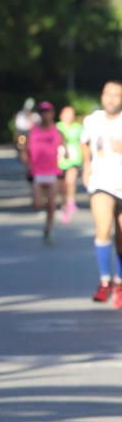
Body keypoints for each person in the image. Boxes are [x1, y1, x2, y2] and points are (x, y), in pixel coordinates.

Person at [81, 80, 122, 308]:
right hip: (101, 183)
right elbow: (84, 143)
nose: (111, 98)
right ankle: (105, 281)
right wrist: (87, 166)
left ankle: (120, 282)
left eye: (116, 95)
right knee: (103, 227)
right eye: (108, 94)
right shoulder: (92, 120)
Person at [22, 101, 63, 244]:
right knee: (38, 204)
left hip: (53, 171)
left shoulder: (57, 131)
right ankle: (39, 197)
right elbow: (25, 150)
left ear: (52, 113)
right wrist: (28, 165)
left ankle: (48, 229)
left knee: (51, 205)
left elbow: (64, 149)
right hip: (37, 172)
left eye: (48, 111)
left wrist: (64, 159)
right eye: (42, 111)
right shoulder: (32, 131)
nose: (45, 114)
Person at [57, 106, 82, 222]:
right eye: (67, 114)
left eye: (71, 114)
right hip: (60, 159)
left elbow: (83, 143)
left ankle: (71, 201)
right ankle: (64, 204)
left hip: (74, 158)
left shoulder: (78, 127)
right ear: (61, 115)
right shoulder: (57, 127)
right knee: (62, 185)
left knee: (71, 181)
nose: (69, 116)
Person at [14, 97, 41, 168]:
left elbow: (39, 126)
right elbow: (19, 127)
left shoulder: (36, 116)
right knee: (22, 146)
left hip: (33, 135)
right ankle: (24, 160)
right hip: (23, 134)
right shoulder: (20, 115)